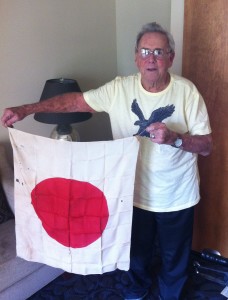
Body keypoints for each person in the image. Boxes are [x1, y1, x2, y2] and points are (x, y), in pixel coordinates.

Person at [1, 22, 212, 300]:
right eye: (145, 51)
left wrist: (174, 138)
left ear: (170, 58)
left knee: (175, 260)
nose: (152, 58)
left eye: (159, 52)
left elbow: (206, 146)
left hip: (177, 196)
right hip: (131, 194)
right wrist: (27, 109)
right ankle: (136, 292)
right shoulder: (118, 89)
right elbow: (74, 102)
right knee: (135, 253)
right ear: (136, 57)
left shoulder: (187, 92)